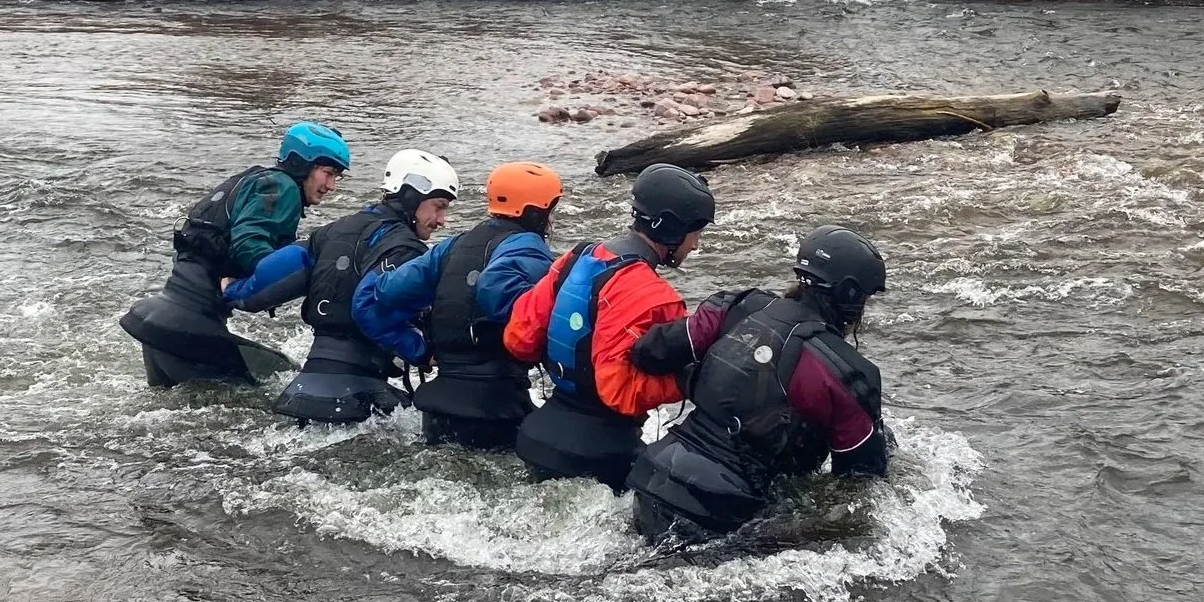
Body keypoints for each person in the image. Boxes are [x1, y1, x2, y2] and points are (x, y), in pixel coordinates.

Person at [625, 225, 889, 541]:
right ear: (851, 296)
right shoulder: (846, 372)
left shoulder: (734, 306)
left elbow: (649, 352)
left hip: (650, 477)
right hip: (722, 511)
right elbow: (860, 482)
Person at [503, 163, 715, 491]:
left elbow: (519, 339)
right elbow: (619, 392)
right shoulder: (657, 298)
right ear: (673, 230)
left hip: (538, 433)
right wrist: (690, 380)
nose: (696, 246)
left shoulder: (576, 257)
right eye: (696, 234)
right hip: (602, 454)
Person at [225, 149, 459, 423]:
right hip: (358, 395)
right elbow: (367, 309)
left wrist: (232, 291)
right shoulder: (405, 250)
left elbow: (270, 280)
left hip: (302, 389)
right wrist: (423, 352)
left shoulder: (334, 230)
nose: (442, 220)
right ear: (411, 195)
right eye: (439, 206)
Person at [119, 122, 350, 388]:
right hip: (191, 328)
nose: (331, 185)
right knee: (276, 387)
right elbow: (249, 245)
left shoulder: (252, 179)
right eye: (328, 173)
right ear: (303, 164)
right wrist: (276, 278)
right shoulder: (283, 188)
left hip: (160, 318)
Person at [351, 162, 563, 449]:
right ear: (536, 212)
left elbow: (378, 297)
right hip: (498, 409)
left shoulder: (452, 246)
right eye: (551, 210)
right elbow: (508, 297)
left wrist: (420, 352)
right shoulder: (530, 249)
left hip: (437, 409)